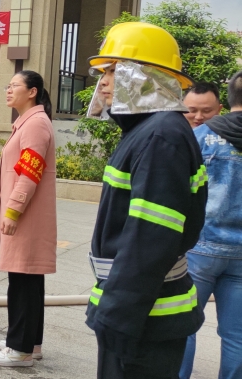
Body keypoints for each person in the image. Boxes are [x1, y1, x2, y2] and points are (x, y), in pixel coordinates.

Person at [84, 22, 207, 379]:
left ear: (145, 77)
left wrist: (119, 312)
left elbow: (152, 236)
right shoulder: (150, 131)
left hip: (144, 316)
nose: (103, 81)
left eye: (113, 70)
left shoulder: (160, 136)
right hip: (142, 309)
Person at [0, 71, 58, 368]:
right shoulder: (29, 123)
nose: (8, 90)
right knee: (27, 280)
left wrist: (13, 210)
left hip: (26, 216)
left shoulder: (36, 124)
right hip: (27, 215)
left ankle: (20, 349)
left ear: (32, 92)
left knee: (22, 282)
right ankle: (31, 343)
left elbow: (30, 173)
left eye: (14, 86)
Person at [180, 71, 242, 379]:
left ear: (226, 101)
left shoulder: (199, 139)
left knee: (185, 326)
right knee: (237, 336)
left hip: (201, 246)